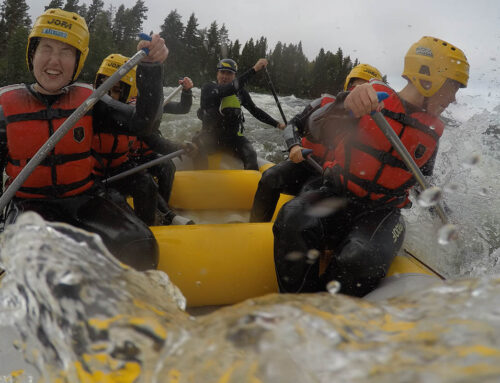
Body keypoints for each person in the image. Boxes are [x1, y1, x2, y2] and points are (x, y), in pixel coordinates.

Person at [273, 36, 469, 297]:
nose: (454, 99)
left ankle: (331, 316)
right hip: (336, 194)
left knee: (359, 257)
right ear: (428, 78)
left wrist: (446, 219)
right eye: (453, 87)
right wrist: (345, 102)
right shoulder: (368, 100)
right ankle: (298, 305)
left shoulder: (432, 131)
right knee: (292, 218)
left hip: (381, 213)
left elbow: (423, 184)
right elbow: (314, 127)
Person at [0, 8, 168, 270]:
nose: (54, 61)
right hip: (28, 206)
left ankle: (128, 308)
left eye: (66, 51)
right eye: (46, 48)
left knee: (140, 245)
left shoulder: (91, 101)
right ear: (32, 53)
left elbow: (144, 123)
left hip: (84, 200)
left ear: (79, 60)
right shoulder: (4, 107)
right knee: (40, 268)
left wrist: (151, 69)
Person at [250, 63, 383, 222]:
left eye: (366, 88)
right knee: (270, 177)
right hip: (306, 162)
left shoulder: (376, 126)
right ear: (348, 87)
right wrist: (294, 145)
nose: (360, 94)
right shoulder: (325, 105)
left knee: (307, 194)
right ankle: (256, 225)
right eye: (355, 87)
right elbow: (292, 125)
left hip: (333, 176)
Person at [194, 58, 286, 171]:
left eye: (229, 73)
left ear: (234, 76)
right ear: (217, 74)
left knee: (251, 154)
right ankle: (202, 179)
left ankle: (253, 184)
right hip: (210, 137)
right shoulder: (208, 88)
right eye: (222, 72)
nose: (225, 76)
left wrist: (277, 124)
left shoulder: (241, 93)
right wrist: (254, 69)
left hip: (232, 138)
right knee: (198, 147)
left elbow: (255, 110)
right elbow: (227, 90)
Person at [129, 76, 196, 225]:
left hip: (146, 153)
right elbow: (152, 139)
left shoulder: (152, 103)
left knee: (167, 166)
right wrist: (177, 146)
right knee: (144, 177)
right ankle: (161, 213)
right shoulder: (127, 105)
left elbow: (183, 108)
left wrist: (186, 92)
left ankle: (160, 209)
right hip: (128, 157)